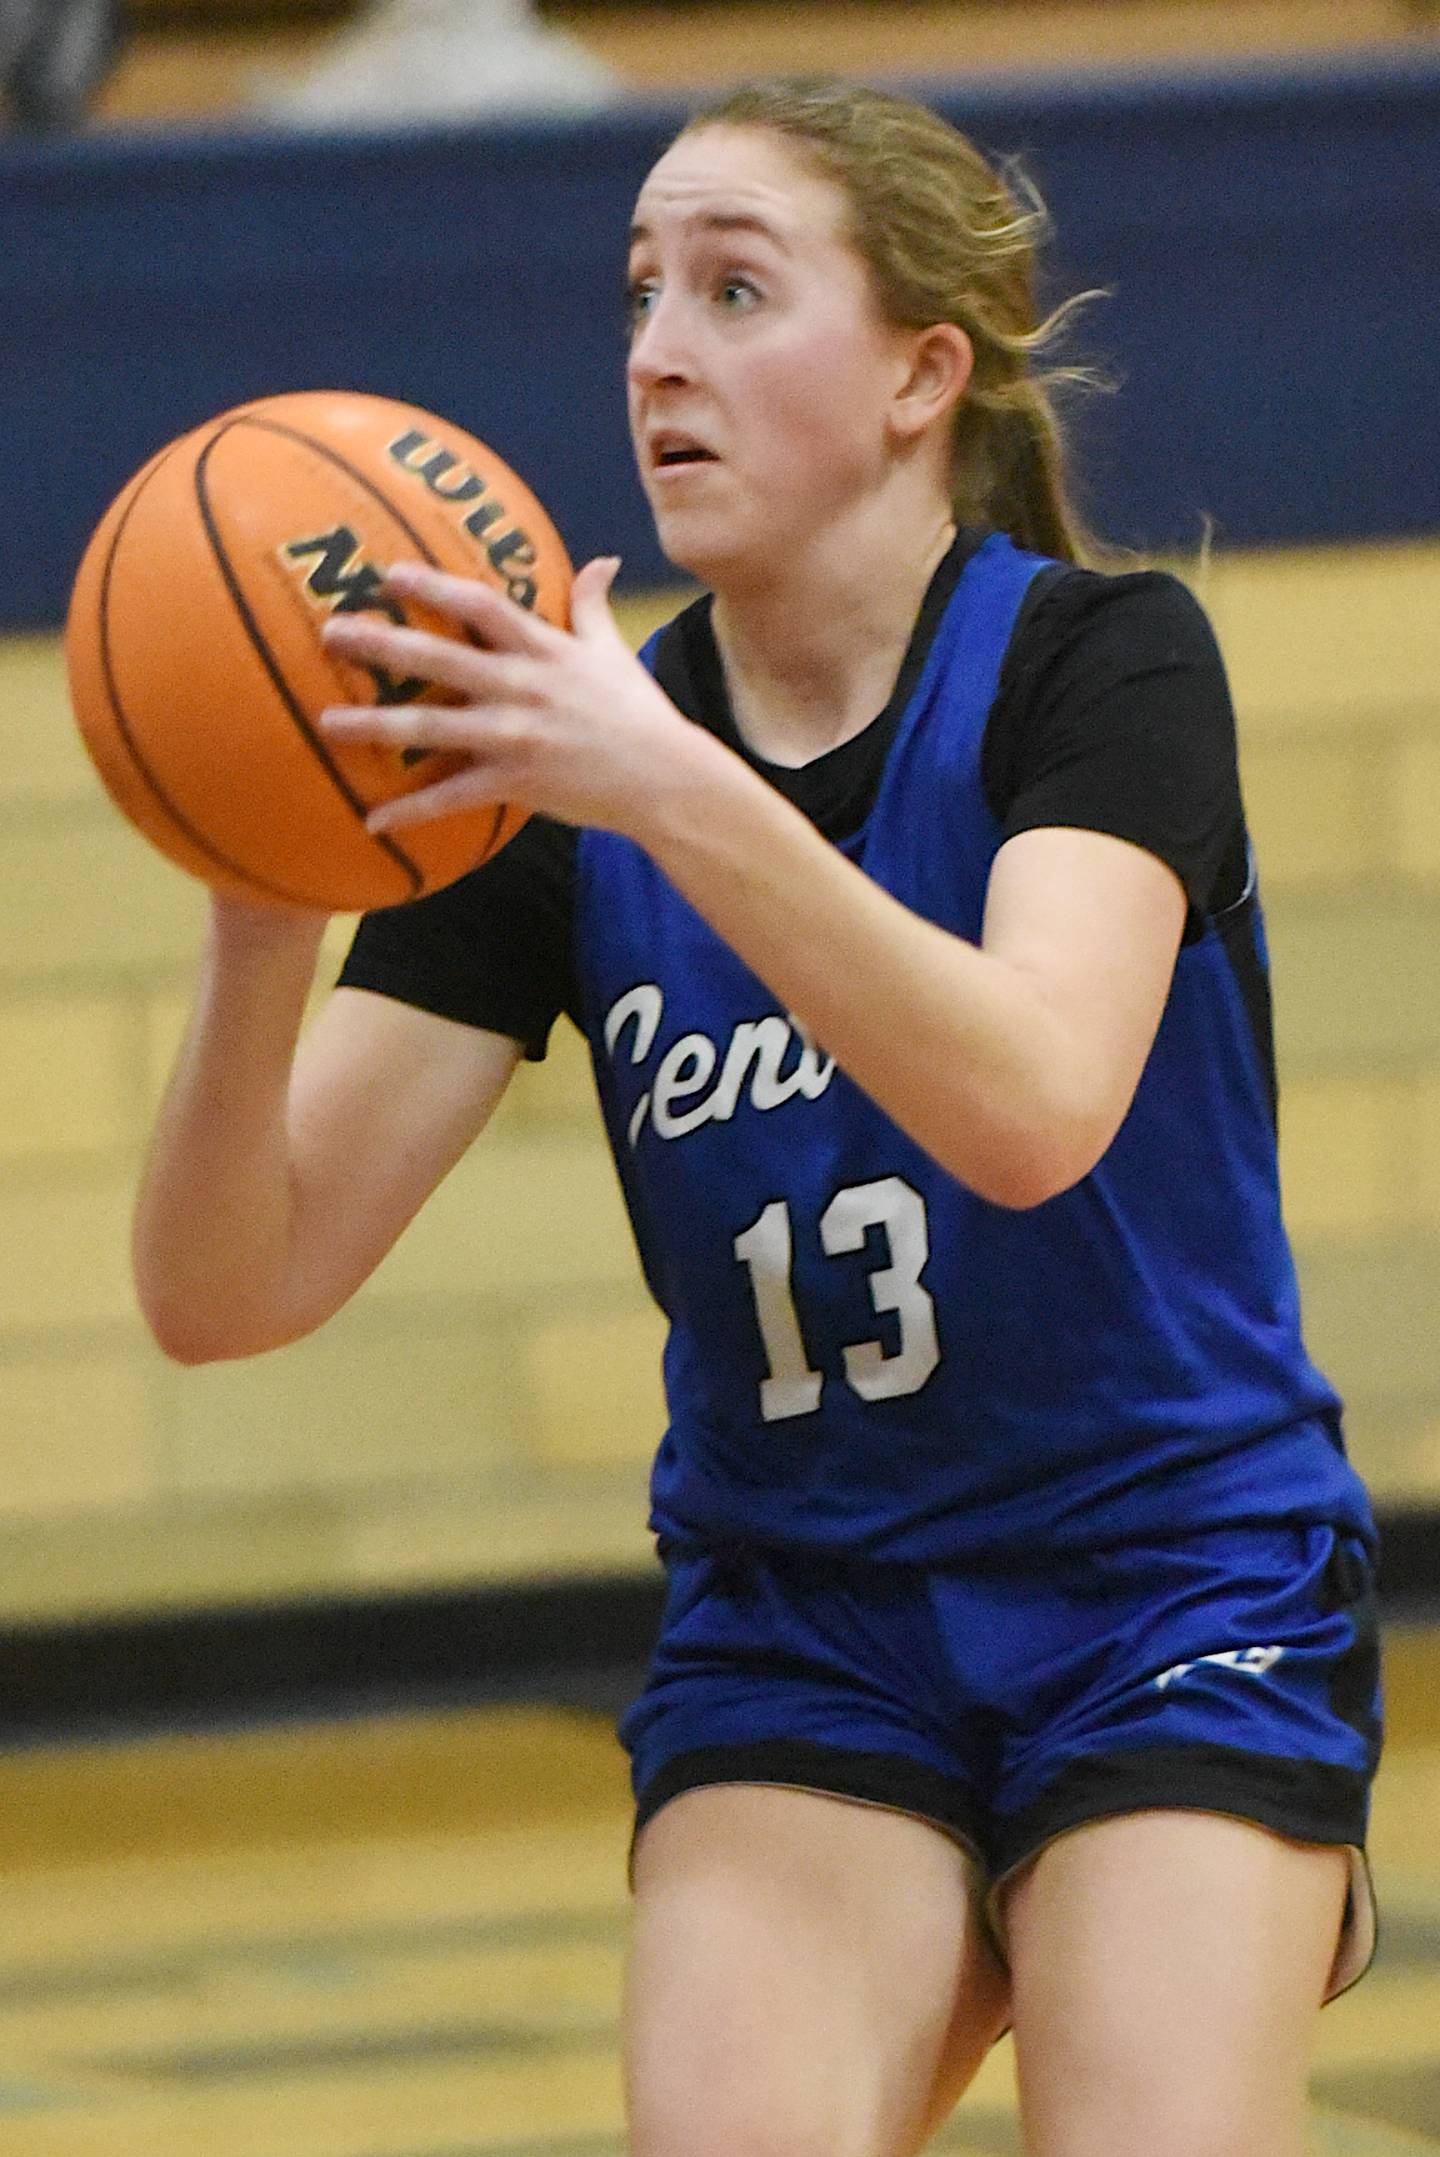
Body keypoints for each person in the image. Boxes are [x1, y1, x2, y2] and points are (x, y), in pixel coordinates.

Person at [134, 75, 1383, 2157]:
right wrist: (263, 917)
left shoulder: (1098, 665)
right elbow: (225, 1287)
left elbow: (1031, 1107)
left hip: (1168, 1581)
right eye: (640, 293)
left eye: (733, 289)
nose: (657, 351)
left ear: (920, 376)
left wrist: (662, 783)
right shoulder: (567, 779)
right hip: (812, 1615)